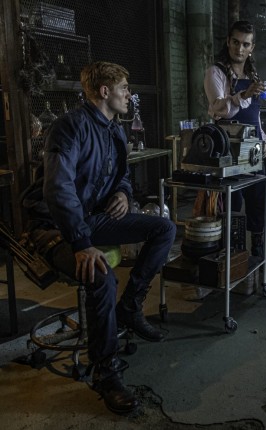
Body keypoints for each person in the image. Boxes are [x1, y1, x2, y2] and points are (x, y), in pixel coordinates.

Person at [22, 61, 177, 414]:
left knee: (164, 229)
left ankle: (129, 308)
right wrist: (81, 244)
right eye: (124, 89)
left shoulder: (114, 131)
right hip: (52, 225)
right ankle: (106, 373)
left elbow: (120, 176)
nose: (129, 95)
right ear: (105, 92)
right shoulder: (69, 127)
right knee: (101, 274)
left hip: (91, 218)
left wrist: (122, 193)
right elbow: (57, 189)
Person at [203, 20, 266, 258]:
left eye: (246, 44)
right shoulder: (216, 72)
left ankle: (257, 251)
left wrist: (263, 139)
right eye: (236, 42)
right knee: (232, 201)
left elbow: (256, 114)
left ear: (252, 47)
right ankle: (230, 253)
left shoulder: (252, 75)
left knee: (258, 198)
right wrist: (243, 94)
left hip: (254, 146)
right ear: (228, 42)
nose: (240, 48)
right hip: (229, 148)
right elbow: (219, 110)